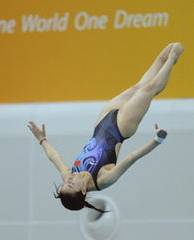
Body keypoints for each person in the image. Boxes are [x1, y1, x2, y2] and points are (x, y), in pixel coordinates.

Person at [28, 42, 184, 212]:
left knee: (137, 87)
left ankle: (163, 58)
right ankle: (173, 57)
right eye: (70, 184)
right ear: (83, 190)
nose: (68, 179)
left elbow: (54, 156)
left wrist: (42, 139)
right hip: (121, 129)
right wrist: (157, 141)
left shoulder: (69, 174)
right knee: (148, 90)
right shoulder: (102, 180)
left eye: (66, 182)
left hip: (102, 122)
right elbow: (131, 158)